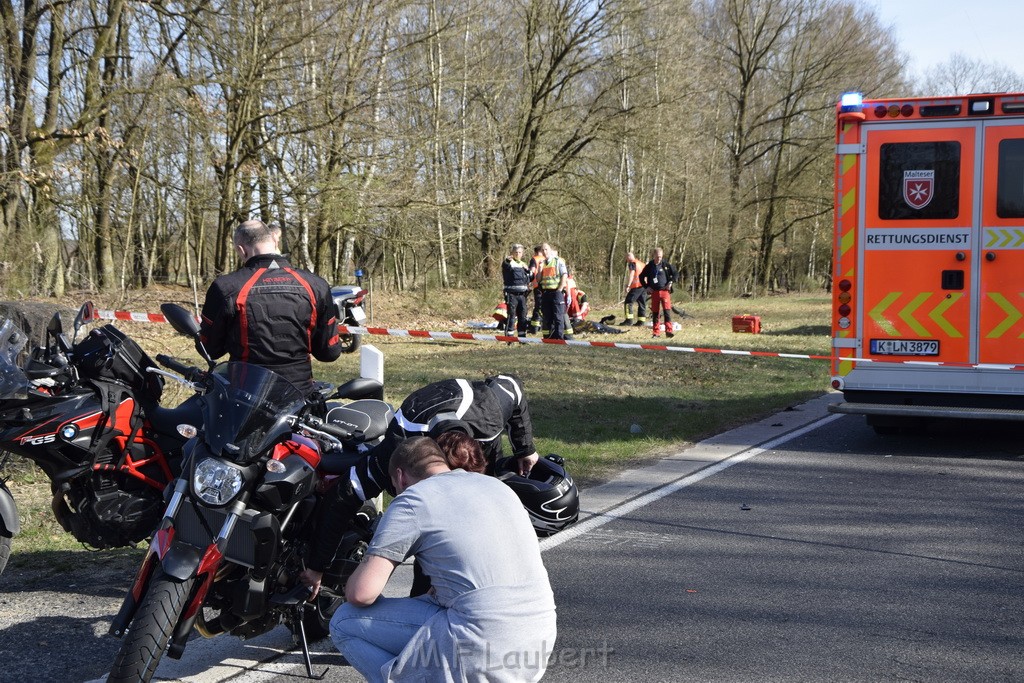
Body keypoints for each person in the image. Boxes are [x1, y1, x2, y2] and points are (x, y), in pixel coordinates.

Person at [330, 437, 558, 683]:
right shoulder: (495, 486)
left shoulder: (413, 500)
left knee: (344, 621)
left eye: (394, 486)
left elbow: (362, 594)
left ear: (400, 476)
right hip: (539, 637)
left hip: (483, 641)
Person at [299, 374, 541, 593]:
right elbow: (342, 497)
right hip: (422, 422)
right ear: (402, 476)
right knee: (432, 539)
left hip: (475, 426)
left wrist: (525, 448)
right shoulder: (395, 454)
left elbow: (513, 385)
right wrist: (316, 566)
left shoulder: (489, 412)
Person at [199, 220, 342, 393]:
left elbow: (209, 350)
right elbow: (330, 352)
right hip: (300, 399)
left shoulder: (226, 287)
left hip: (244, 399)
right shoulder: (316, 285)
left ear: (241, 250)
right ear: (274, 241)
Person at [638, 247, 678, 338]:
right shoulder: (649, 266)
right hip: (654, 292)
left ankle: (669, 331)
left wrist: (670, 282)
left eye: (660, 257)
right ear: (654, 256)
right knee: (655, 313)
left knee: (667, 312)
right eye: (657, 257)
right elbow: (641, 277)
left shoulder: (666, 265)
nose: (659, 259)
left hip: (665, 291)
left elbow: (676, 273)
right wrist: (646, 287)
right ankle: (656, 333)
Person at [537, 243, 569, 340]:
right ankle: (549, 338)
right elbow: (538, 279)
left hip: (556, 292)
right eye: (542, 250)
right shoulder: (542, 263)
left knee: (558, 317)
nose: (544, 252)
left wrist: (559, 289)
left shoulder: (558, 261)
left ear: (550, 250)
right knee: (547, 317)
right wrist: (540, 268)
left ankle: (559, 338)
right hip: (546, 293)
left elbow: (564, 275)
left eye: (546, 249)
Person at [501, 243, 531, 337]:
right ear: (512, 253)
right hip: (511, 294)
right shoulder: (509, 262)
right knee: (512, 316)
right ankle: (509, 338)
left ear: (522, 254)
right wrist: (506, 260)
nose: (518, 254)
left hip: (522, 295)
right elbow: (505, 266)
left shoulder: (523, 264)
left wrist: (528, 271)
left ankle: (522, 337)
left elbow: (530, 278)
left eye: (520, 252)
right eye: (516, 252)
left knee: (523, 316)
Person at [620, 251, 648, 327]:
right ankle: (641, 321)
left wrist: (628, 285)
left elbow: (632, 274)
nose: (626, 260)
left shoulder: (632, 263)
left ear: (629, 257)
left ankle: (628, 321)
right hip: (644, 286)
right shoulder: (641, 263)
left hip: (636, 286)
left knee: (628, 302)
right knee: (642, 303)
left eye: (626, 258)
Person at [527, 245, 545, 334]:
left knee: (538, 306)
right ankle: (542, 325)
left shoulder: (534, 259)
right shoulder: (547, 258)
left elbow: (532, 271)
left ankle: (534, 327)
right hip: (547, 285)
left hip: (537, 285)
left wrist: (529, 283)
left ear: (535, 252)